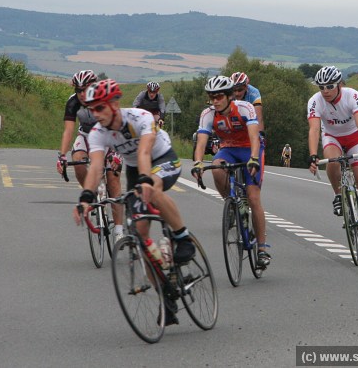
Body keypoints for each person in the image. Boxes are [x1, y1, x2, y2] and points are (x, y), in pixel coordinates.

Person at [73, 79, 195, 325]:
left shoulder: (140, 117)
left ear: (115, 104)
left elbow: (144, 152)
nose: (96, 114)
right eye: (92, 109)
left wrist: (145, 181)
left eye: (100, 107)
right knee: (139, 235)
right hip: (133, 168)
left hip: (162, 158)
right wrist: (85, 198)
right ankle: (165, 294)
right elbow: (95, 167)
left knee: (153, 189)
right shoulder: (98, 132)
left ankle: (183, 238)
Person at [191, 76, 271, 268]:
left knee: (253, 198)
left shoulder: (244, 108)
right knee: (217, 168)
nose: (215, 101)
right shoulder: (208, 114)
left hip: (249, 148)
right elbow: (201, 142)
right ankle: (233, 203)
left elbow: (254, 136)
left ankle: (262, 249)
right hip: (228, 149)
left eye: (219, 96)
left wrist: (254, 158)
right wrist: (198, 163)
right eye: (212, 97)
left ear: (229, 96)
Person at [307, 66, 358, 250]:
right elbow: (314, 129)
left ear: (339, 84)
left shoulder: (352, 95)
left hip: (354, 137)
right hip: (332, 137)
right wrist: (312, 155)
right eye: (321, 87)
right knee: (332, 161)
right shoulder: (315, 101)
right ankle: (338, 194)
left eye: (330, 86)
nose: (325, 91)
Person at [57, 70, 124, 241]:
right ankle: (92, 194)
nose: (81, 94)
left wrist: (116, 153)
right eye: (78, 90)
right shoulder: (73, 102)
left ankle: (119, 230)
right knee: (77, 161)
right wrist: (62, 156)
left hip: (109, 136)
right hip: (86, 136)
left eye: (84, 89)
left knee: (113, 178)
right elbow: (68, 130)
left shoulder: (102, 97)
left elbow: (118, 125)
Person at [230, 72, 266, 146]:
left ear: (246, 87)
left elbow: (259, 117)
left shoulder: (254, 93)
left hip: (249, 116)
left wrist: (261, 135)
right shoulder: (228, 93)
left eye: (240, 90)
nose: (237, 93)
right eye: (234, 90)